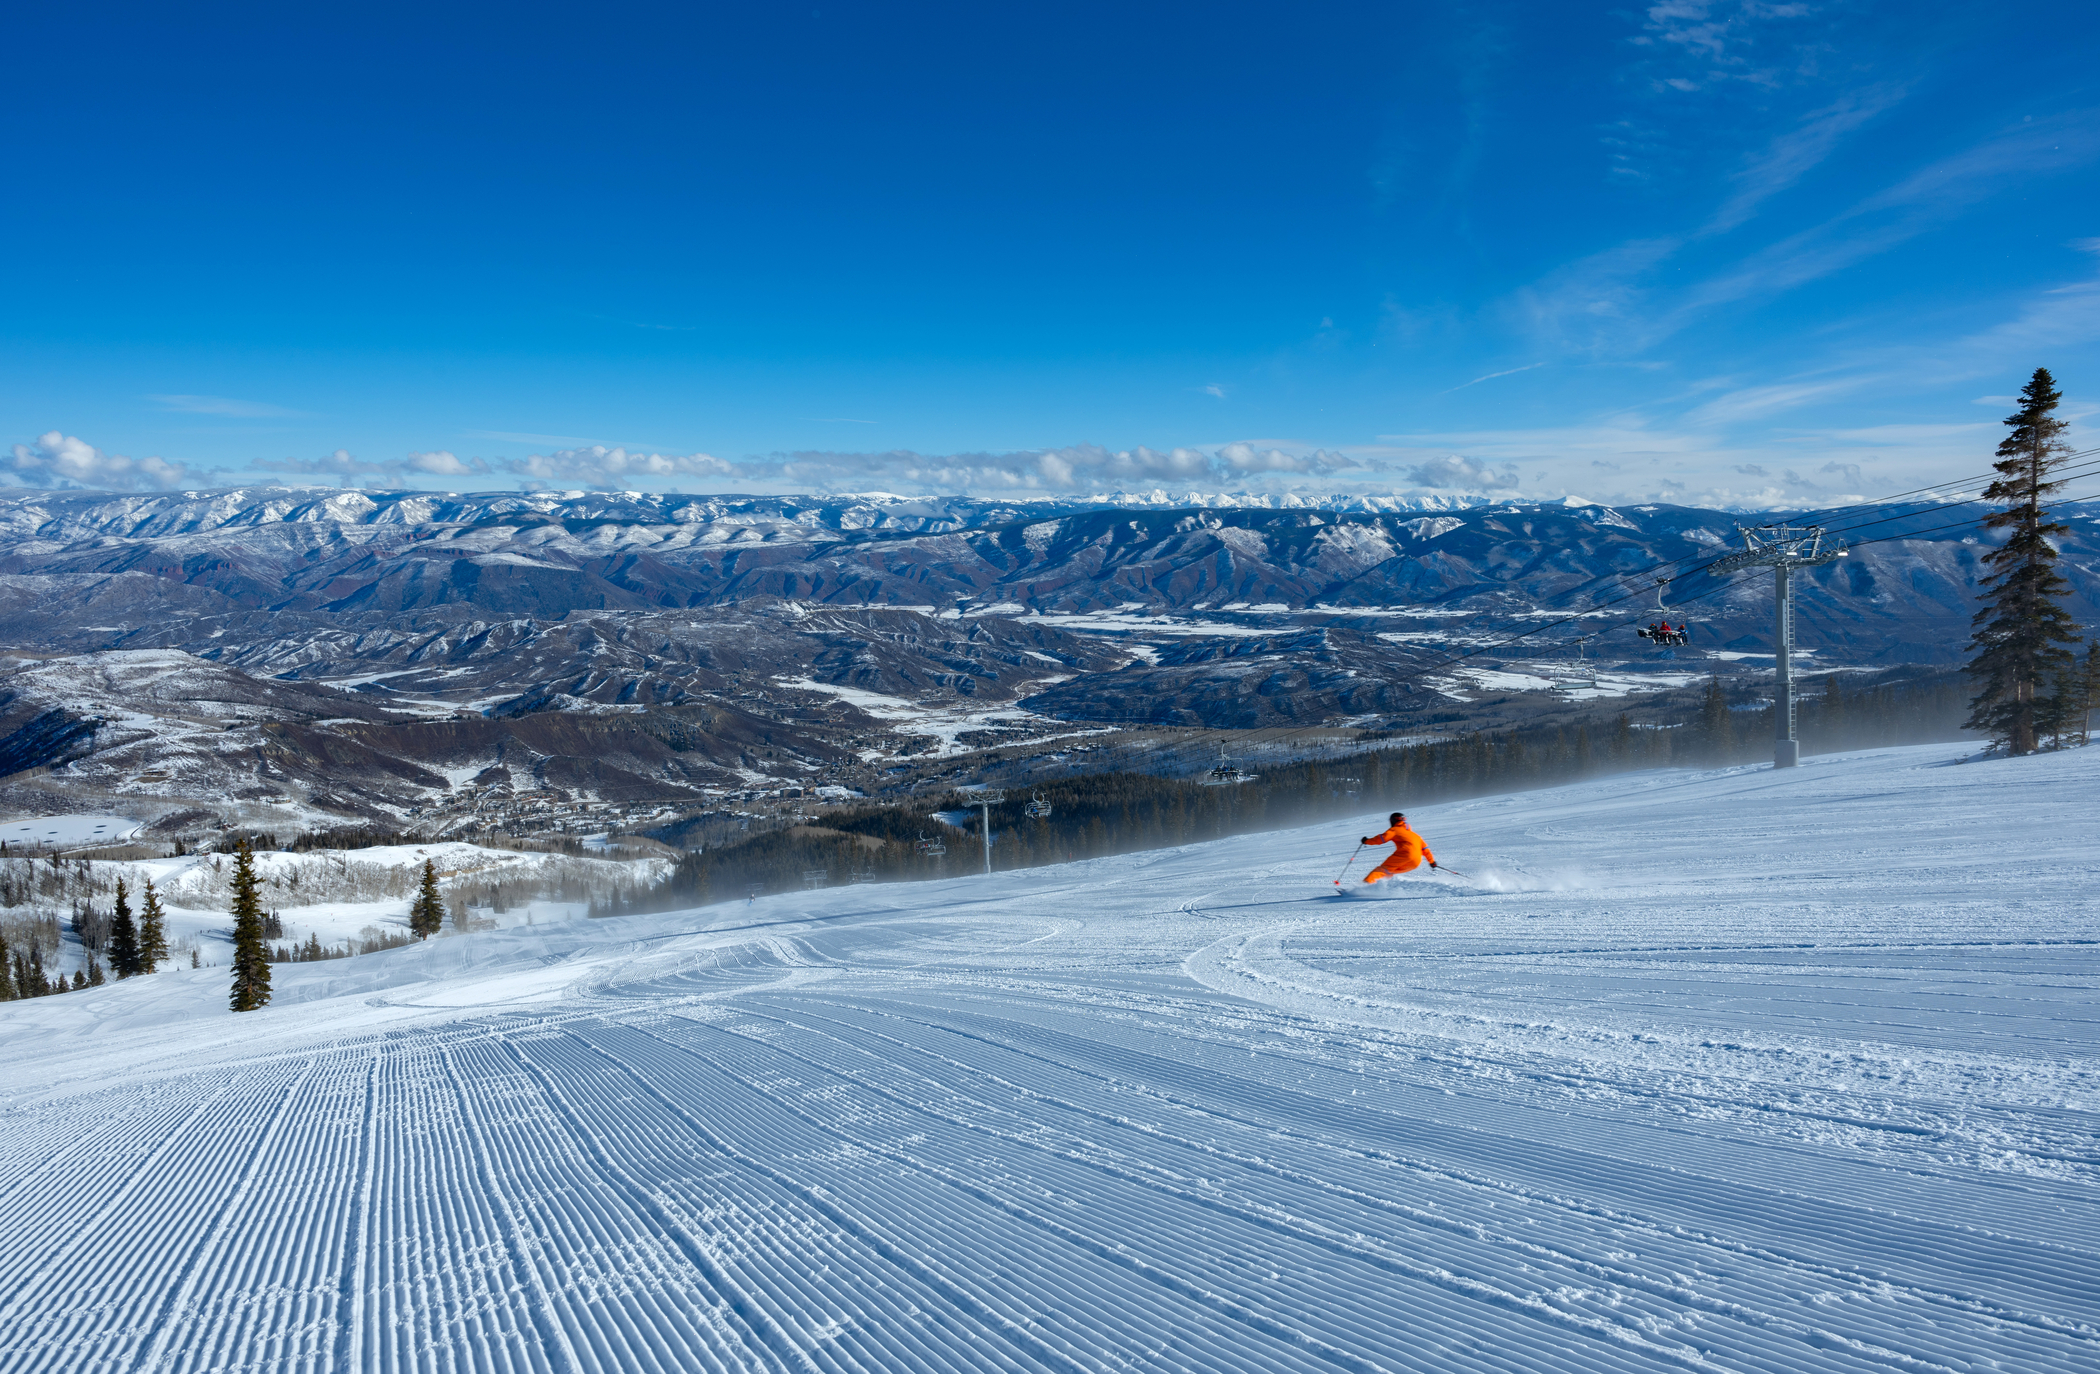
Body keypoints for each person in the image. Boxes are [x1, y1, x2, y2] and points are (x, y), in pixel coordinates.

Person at [1360, 812, 1436, 885]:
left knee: (1383, 869)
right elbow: (1426, 850)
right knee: (1389, 871)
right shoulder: (1416, 835)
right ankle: (1381, 887)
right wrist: (1432, 862)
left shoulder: (1394, 830)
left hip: (1404, 854)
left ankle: (1365, 886)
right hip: (1416, 862)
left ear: (1392, 821)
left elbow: (1382, 839)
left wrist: (1366, 841)